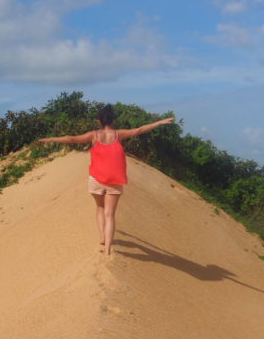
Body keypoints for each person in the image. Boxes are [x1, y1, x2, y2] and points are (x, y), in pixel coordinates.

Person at [39, 105, 174, 257]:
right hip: (115, 180)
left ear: (98, 121)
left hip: (96, 179)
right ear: (113, 120)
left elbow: (71, 139)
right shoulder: (119, 134)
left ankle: (102, 236)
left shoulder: (93, 135)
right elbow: (140, 130)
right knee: (110, 214)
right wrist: (159, 122)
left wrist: (50, 139)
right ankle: (108, 249)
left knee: (100, 208)